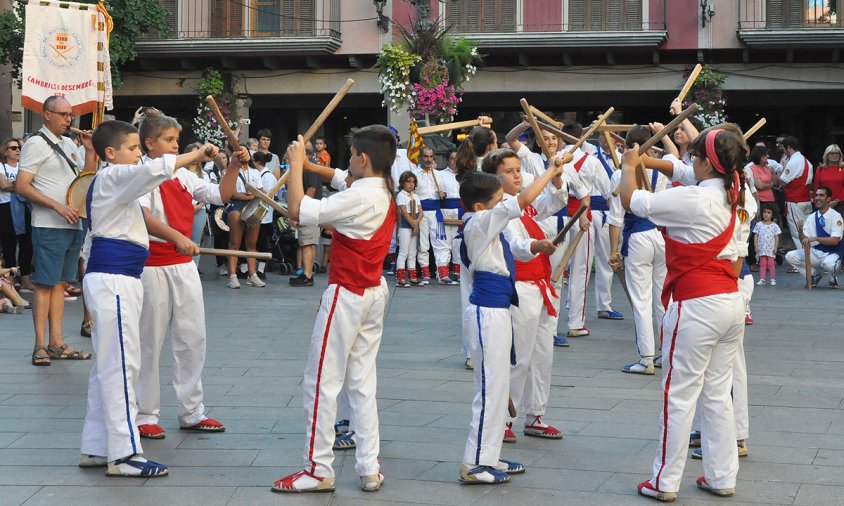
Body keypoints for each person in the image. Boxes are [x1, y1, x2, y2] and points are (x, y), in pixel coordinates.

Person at [79, 120, 218, 477]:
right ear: (111, 153)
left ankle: (96, 446)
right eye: (133, 147)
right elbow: (158, 167)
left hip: (116, 276)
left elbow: (154, 176)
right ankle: (123, 454)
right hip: (114, 278)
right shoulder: (113, 176)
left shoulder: (116, 179)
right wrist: (198, 153)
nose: (139, 153)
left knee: (107, 366)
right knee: (123, 364)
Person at [620, 128, 746, 501]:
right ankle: (722, 476)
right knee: (717, 393)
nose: (690, 161)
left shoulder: (694, 199)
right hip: (729, 302)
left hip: (696, 304)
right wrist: (646, 160)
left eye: (695, 156)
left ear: (708, 163)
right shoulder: (735, 192)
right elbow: (681, 170)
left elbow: (631, 200)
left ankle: (664, 481)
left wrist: (628, 165)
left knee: (678, 394)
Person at [273, 126, 396, 494]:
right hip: (372, 292)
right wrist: (311, 164)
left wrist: (295, 166)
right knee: (361, 382)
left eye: (353, 154)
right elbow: (340, 177)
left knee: (322, 382)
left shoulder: (360, 198)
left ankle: (318, 468)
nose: (348, 162)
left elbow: (297, 210)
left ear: (364, 159)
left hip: (347, 293)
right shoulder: (381, 188)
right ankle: (369, 467)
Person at [134, 111, 243, 440]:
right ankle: (144, 414)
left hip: (183, 264)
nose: (175, 146)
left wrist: (233, 165)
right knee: (149, 342)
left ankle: (192, 410)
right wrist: (176, 237)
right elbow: (142, 217)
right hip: (152, 264)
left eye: (177, 141)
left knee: (192, 338)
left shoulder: (182, 177)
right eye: (169, 141)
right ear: (149, 143)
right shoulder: (138, 174)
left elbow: (219, 196)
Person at [458, 153, 562, 484]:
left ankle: (488, 456)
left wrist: (536, 244)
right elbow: (523, 200)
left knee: (499, 385)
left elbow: (516, 246)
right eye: (498, 200)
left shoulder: (490, 226)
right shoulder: (477, 222)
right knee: (490, 389)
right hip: (487, 311)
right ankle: (474, 463)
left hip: (498, 310)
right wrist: (551, 171)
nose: (504, 204)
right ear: (480, 206)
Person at [479, 149, 567, 444]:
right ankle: (506, 418)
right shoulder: (500, 209)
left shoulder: (524, 207)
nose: (517, 175)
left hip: (541, 288)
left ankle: (535, 415)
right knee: (519, 356)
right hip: (521, 289)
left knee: (543, 355)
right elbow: (515, 245)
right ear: (495, 177)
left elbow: (551, 202)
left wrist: (557, 178)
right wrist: (536, 245)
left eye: (518, 169)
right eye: (510, 171)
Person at [15, 96, 94, 366]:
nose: (68, 120)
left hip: (72, 225)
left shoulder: (69, 144)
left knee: (60, 284)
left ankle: (57, 342)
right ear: (46, 114)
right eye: (62, 115)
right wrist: (58, 207)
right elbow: (22, 186)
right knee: (44, 284)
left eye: (70, 115)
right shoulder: (36, 143)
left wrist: (90, 151)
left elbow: (85, 182)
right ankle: (40, 345)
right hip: (49, 224)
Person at [608, 125, 669, 375]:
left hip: (637, 238)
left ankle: (646, 358)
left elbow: (615, 218)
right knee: (662, 300)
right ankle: (666, 353)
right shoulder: (661, 171)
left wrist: (614, 251)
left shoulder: (621, 174)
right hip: (661, 237)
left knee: (641, 301)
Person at [785, 186, 843, 288]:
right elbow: (805, 240)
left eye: (821, 195)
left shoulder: (836, 216)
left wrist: (816, 238)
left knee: (828, 265)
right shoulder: (812, 217)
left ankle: (832, 276)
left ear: (828, 199)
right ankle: (814, 275)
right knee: (790, 256)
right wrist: (800, 230)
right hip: (816, 252)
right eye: (816, 195)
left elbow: (835, 241)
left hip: (833, 253)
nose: (817, 198)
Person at [224, 157, 265, 288]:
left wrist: (254, 196)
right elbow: (231, 194)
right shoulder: (230, 172)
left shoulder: (255, 172)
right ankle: (232, 276)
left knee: (252, 243)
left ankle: (252, 275)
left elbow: (261, 190)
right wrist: (252, 195)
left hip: (253, 205)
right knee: (235, 243)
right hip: (236, 206)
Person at [1, 138, 33, 292]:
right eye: (13, 147)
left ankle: (26, 278)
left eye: (19, 147)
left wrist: (15, 185)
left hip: (25, 207)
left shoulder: (25, 166)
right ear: (5, 151)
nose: (18, 150)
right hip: (6, 208)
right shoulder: (1, 166)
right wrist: (22, 186)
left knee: (27, 244)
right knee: (9, 244)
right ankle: (10, 280)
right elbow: (3, 185)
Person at [415, 146, 450, 285]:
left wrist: (443, 194)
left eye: (431, 157)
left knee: (441, 243)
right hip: (421, 213)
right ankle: (425, 274)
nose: (429, 159)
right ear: (420, 158)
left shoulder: (438, 174)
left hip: (436, 212)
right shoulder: (414, 174)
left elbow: (445, 192)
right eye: (426, 156)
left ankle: (443, 275)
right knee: (422, 245)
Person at [290, 147, 323, 287]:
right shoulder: (308, 168)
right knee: (307, 243)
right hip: (310, 210)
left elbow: (312, 189)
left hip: (309, 211)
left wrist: (301, 210)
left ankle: (307, 275)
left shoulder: (309, 169)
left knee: (308, 243)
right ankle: (306, 273)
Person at [775, 136, 813, 254]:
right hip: (805, 199)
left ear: (789, 148)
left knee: (798, 232)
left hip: (795, 200)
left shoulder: (793, 161)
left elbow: (782, 181)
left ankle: (803, 260)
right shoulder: (806, 161)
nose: (784, 151)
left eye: (784, 148)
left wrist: (777, 171)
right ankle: (809, 257)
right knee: (807, 230)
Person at [182, 142, 210, 269]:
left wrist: (198, 206)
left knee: (196, 241)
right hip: (183, 210)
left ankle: (194, 268)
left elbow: (209, 193)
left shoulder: (204, 175)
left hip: (200, 210)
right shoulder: (180, 172)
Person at [396, 170, 422, 287]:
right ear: (402, 183)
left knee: (412, 252)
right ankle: (401, 278)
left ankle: (413, 277)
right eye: (408, 182)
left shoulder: (416, 196)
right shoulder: (401, 195)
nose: (411, 184)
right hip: (405, 226)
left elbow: (421, 212)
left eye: (413, 182)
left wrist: (417, 222)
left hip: (414, 225)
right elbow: (404, 212)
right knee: (403, 252)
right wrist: (413, 223)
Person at [754, 205, 782, 285]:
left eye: (769, 213)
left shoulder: (774, 226)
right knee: (762, 264)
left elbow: (777, 237)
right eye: (764, 212)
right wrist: (756, 246)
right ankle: (762, 279)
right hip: (762, 248)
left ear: (772, 215)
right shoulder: (759, 225)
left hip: (771, 249)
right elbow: (756, 236)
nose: (766, 214)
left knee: (771, 264)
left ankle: (772, 279)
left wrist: (776, 247)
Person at [815, 144, 844, 216]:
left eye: (837, 153)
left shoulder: (843, 169)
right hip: (823, 204)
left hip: (841, 205)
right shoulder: (820, 169)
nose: (835, 155)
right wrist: (818, 203)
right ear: (827, 155)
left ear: (840, 156)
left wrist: (836, 201)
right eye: (832, 153)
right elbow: (816, 187)